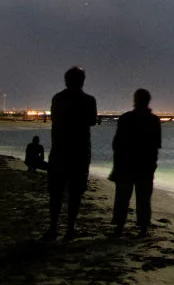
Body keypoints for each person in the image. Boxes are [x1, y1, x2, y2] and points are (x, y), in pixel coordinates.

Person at [44, 66, 98, 241]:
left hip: (59, 150)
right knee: (75, 192)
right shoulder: (89, 100)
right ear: (82, 81)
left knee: (56, 192)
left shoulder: (58, 99)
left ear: (66, 81)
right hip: (80, 151)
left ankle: (53, 227)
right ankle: (70, 228)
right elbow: (91, 121)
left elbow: (55, 119)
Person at [111, 88, 162, 237]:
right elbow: (156, 145)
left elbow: (117, 144)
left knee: (122, 198)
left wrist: (116, 165)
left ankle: (119, 227)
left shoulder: (125, 118)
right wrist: (153, 164)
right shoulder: (153, 120)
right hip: (145, 165)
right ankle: (143, 228)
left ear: (135, 100)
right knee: (143, 199)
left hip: (126, 164)